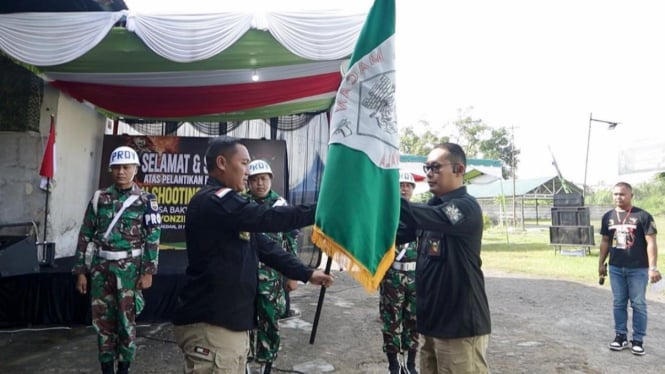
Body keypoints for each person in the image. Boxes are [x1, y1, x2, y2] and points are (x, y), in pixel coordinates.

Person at [172, 137, 334, 374]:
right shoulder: (214, 201)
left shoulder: (228, 208)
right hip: (212, 326)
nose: (248, 172)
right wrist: (326, 210)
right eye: (245, 163)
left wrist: (307, 273)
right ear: (222, 163)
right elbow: (269, 218)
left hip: (230, 326)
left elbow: (265, 248)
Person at [396, 143, 491, 374]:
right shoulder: (433, 208)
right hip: (432, 325)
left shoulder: (464, 207)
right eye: (427, 167)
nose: (429, 174)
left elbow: (432, 216)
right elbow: (396, 234)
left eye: (436, 167)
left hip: (459, 327)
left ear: (459, 169)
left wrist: (385, 195)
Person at [72, 145, 161, 374]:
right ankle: (106, 369)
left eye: (126, 167)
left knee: (126, 322)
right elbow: (86, 234)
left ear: (135, 169)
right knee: (102, 323)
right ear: (110, 169)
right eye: (117, 167)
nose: (121, 171)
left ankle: (124, 368)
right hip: (101, 270)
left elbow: (153, 238)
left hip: (130, 271)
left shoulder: (146, 200)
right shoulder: (99, 198)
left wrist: (148, 271)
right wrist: (81, 271)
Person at [244, 159, 300, 374]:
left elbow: (290, 241)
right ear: (248, 182)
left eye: (264, 179)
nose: (260, 184)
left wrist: (293, 274)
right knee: (245, 317)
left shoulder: (281, 205)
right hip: (245, 272)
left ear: (271, 180)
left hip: (272, 276)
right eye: (255, 180)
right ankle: (246, 361)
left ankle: (267, 362)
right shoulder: (241, 203)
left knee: (269, 317)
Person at [599, 181, 660, 356]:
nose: (618, 197)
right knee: (618, 302)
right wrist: (601, 264)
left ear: (631, 196)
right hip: (616, 267)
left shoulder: (643, 216)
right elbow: (605, 241)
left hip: (638, 269)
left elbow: (651, 243)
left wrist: (653, 267)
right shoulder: (608, 217)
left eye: (622, 194)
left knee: (638, 304)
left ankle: (638, 340)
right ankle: (620, 337)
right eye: (616, 194)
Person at [380, 170, 419, 374]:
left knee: (414, 321)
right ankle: (394, 365)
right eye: (401, 185)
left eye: (408, 185)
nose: (404, 188)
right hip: (392, 277)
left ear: (413, 190)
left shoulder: (420, 213)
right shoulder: (386, 213)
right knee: (391, 321)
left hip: (415, 277)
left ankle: (411, 365)